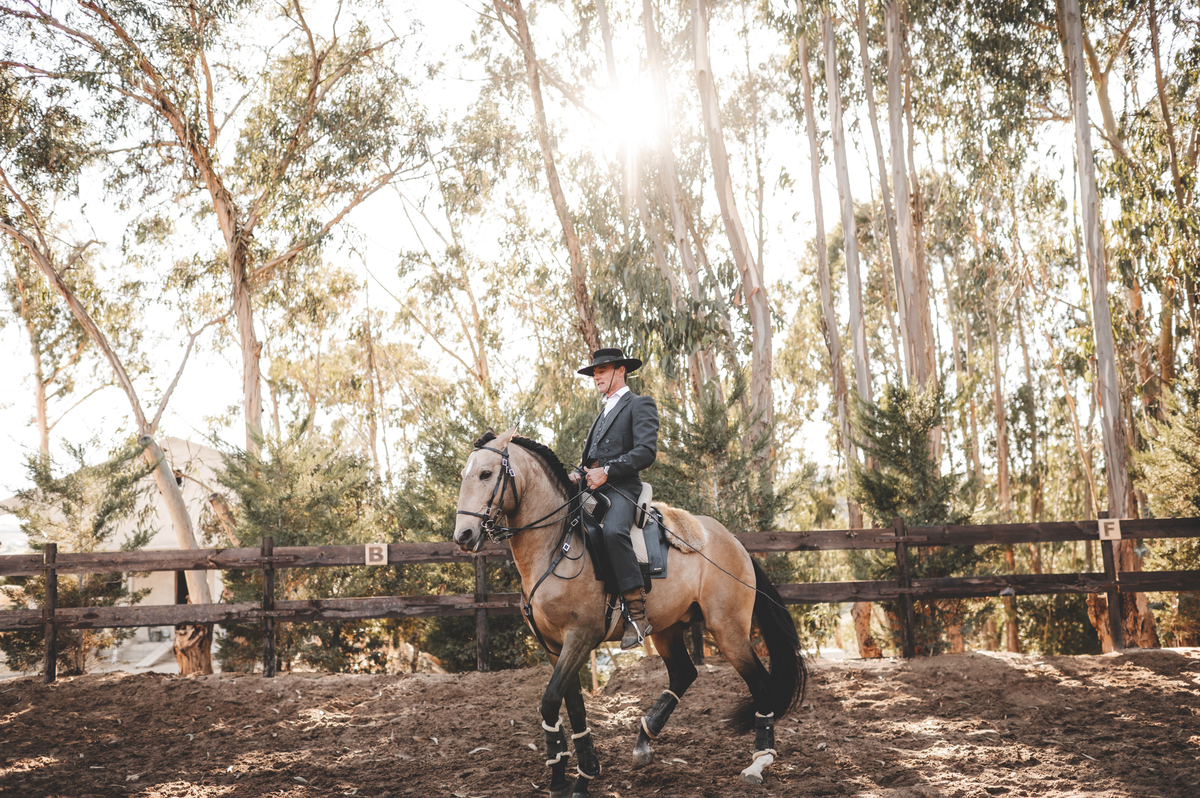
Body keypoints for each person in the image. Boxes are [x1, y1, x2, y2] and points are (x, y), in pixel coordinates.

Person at [569, 347, 660, 649]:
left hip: (622, 487)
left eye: (602, 370)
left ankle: (637, 616)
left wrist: (607, 471)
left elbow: (646, 452)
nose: (596, 376)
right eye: (594, 372)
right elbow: (592, 460)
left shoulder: (639, 405)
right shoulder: (602, 413)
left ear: (621, 371)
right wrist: (580, 475)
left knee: (614, 531)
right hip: (593, 486)